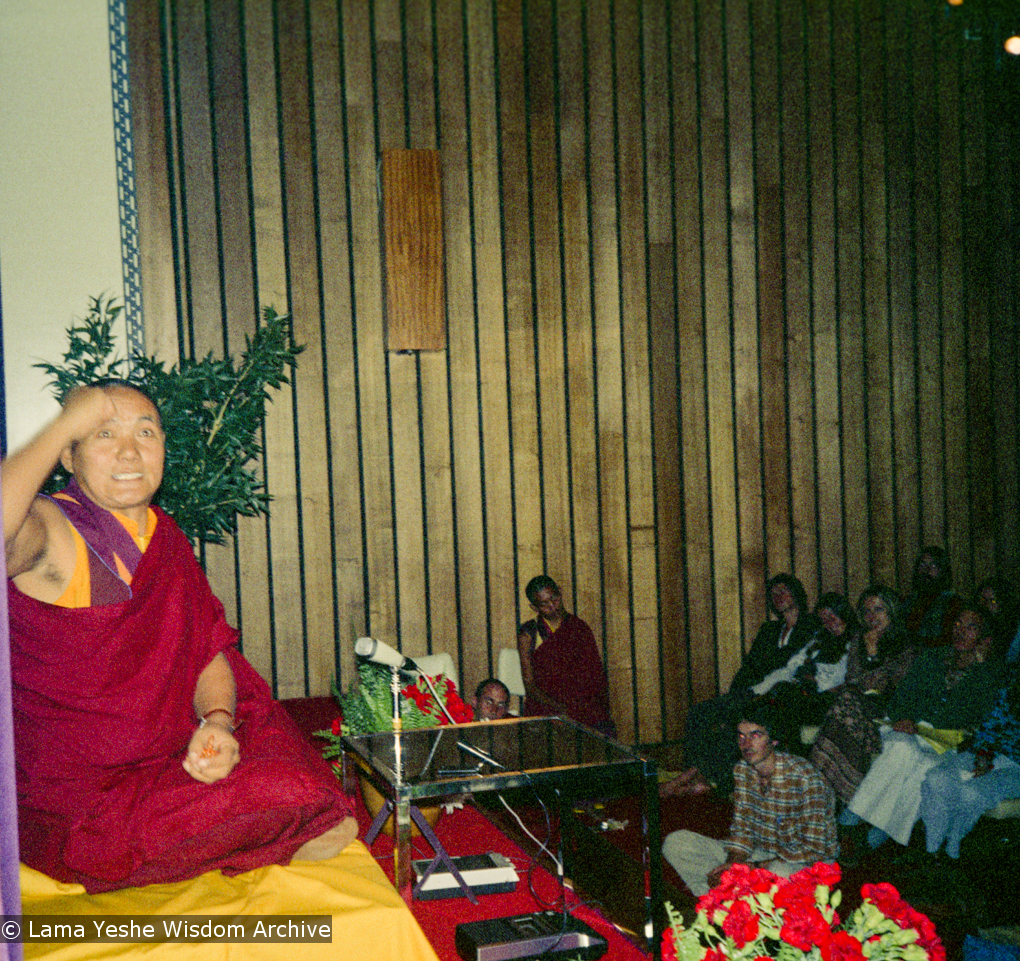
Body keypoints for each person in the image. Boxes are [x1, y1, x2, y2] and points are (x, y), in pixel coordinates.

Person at [2, 383, 357, 893]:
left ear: (163, 448)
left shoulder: (162, 535)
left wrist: (217, 722)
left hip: (169, 761)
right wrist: (61, 422)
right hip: (80, 800)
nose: (129, 452)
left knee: (279, 752)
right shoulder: (52, 527)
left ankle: (217, 830)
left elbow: (205, 649)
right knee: (288, 795)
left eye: (145, 433)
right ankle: (203, 837)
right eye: (103, 434)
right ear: (69, 456)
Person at [844, 607, 1004, 850]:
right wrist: (905, 717)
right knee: (902, 751)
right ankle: (851, 817)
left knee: (927, 768)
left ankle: (876, 835)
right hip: (907, 731)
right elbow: (900, 699)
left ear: (984, 639)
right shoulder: (932, 658)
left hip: (944, 743)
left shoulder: (990, 674)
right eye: (958, 624)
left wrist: (979, 667)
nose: (960, 631)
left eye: (971, 627)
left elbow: (986, 720)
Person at [662, 699, 837, 897]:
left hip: (801, 863)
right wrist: (732, 864)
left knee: (778, 873)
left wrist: (752, 867)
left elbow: (815, 850)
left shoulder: (805, 779)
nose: (746, 744)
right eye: (741, 736)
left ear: (774, 740)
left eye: (756, 735)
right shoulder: (742, 770)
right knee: (676, 842)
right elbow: (742, 830)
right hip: (758, 854)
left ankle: (732, 896)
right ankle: (718, 898)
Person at [673, 574, 818, 795]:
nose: (778, 596)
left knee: (736, 725)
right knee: (700, 713)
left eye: (784, 590)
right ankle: (693, 773)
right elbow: (749, 667)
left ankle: (708, 778)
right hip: (751, 691)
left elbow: (796, 669)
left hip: (779, 696)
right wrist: (735, 693)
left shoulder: (812, 628)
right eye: (774, 593)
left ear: (797, 593)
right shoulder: (769, 630)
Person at [809, 587, 917, 804]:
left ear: (892, 611)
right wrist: (868, 653)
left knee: (845, 704)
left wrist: (872, 653)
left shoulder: (907, 644)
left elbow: (894, 686)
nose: (872, 617)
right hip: (858, 708)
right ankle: (826, 791)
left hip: (892, 711)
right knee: (846, 704)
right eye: (866, 611)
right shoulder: (859, 639)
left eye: (879, 609)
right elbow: (852, 679)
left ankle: (817, 788)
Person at [919, 670, 1020, 859]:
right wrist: (984, 759)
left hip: (1016, 769)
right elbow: (989, 729)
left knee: (971, 793)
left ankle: (950, 845)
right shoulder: (1011, 683)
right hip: (985, 752)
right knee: (936, 778)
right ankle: (932, 849)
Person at [516, 575, 615, 737]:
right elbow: (529, 685)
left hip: (583, 703)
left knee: (599, 725)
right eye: (544, 604)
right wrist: (559, 708)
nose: (552, 606)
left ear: (560, 593)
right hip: (546, 703)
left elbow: (596, 676)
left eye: (554, 598)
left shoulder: (579, 627)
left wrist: (580, 706)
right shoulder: (529, 633)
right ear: (534, 607)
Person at [901, 546, 963, 648]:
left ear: (942, 571)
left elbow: (949, 639)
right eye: (922, 565)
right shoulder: (908, 602)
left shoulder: (953, 603)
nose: (926, 570)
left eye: (933, 566)